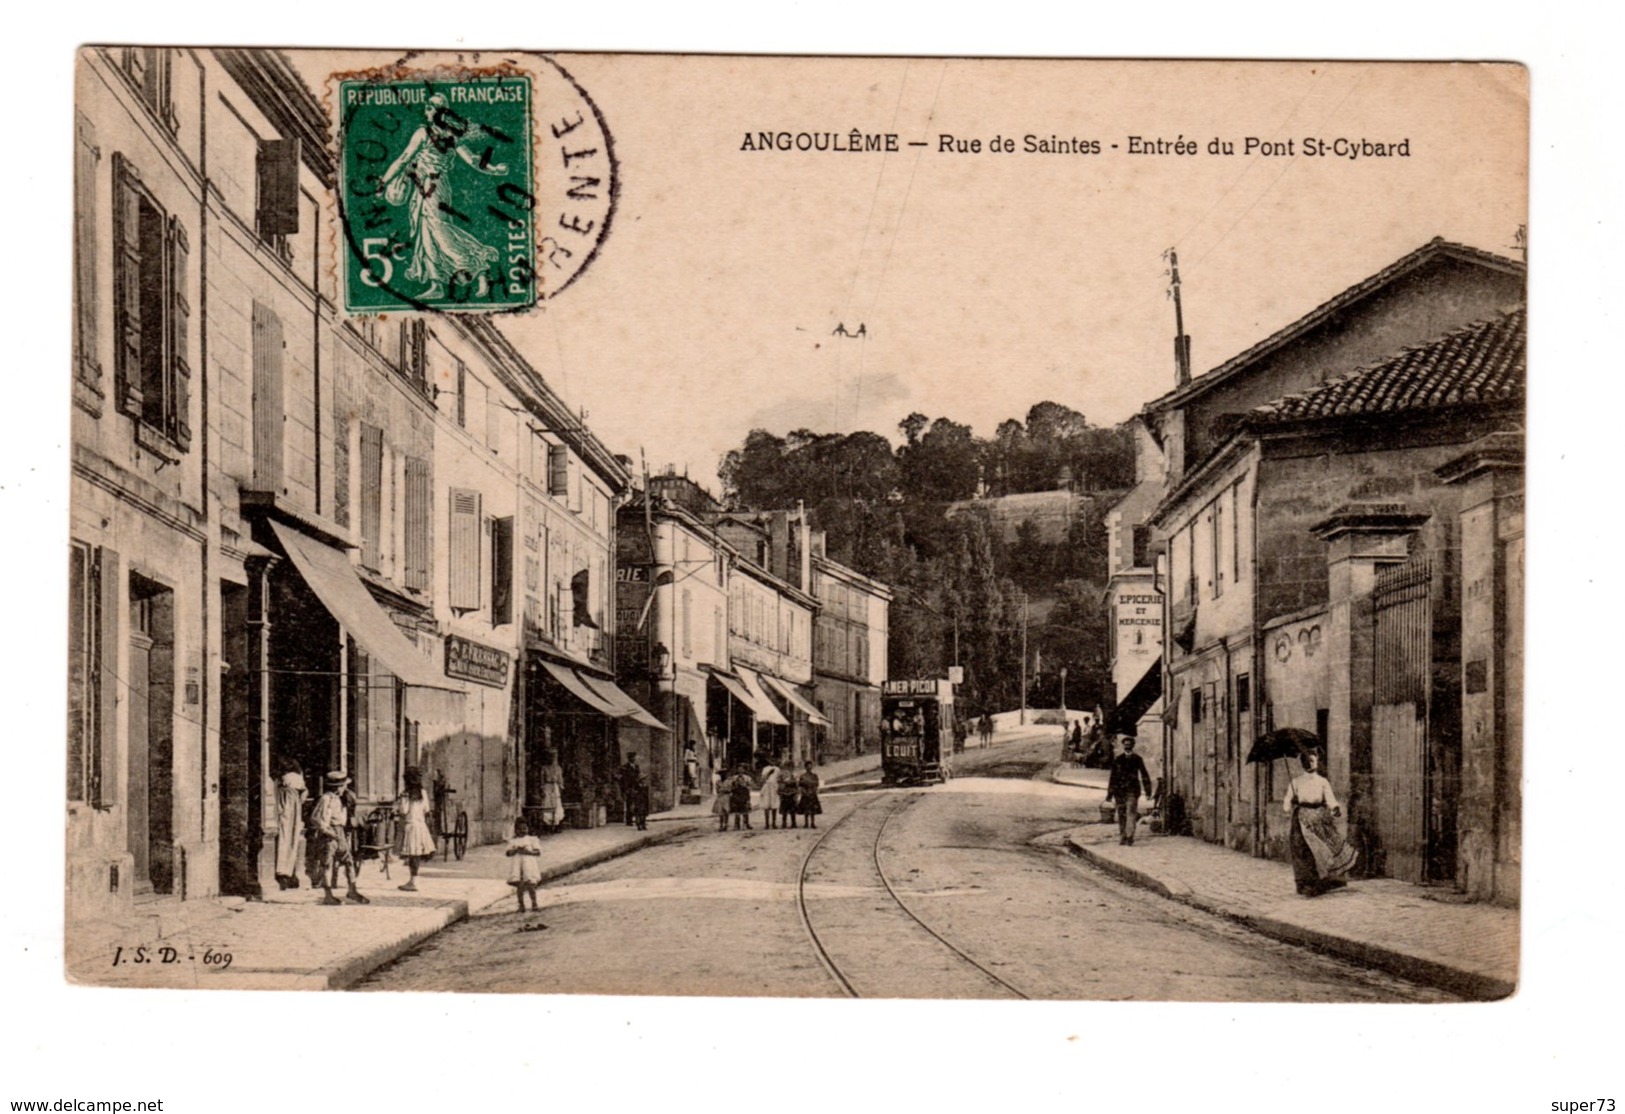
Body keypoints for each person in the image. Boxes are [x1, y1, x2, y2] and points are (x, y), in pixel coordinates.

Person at [377, 94, 508, 300]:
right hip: (422, 188)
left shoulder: (438, 134)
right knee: (425, 234)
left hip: (434, 187)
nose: (426, 110)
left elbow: (472, 159)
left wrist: (494, 170)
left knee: (439, 230)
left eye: (430, 107)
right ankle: (436, 284)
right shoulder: (437, 133)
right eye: (427, 107)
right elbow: (406, 160)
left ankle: (479, 265)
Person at [1284, 750, 1358, 897]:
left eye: (1312, 760)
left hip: (1319, 818)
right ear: (1303, 763)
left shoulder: (1322, 782)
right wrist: (1290, 803)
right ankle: (1304, 883)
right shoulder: (1296, 782)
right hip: (1301, 819)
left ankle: (1327, 880)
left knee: (1325, 848)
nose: (1310, 763)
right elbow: (1287, 801)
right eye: (1307, 761)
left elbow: (1330, 799)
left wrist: (1334, 808)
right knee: (1302, 850)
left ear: (1317, 762)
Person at [311, 771, 369, 905]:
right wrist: (327, 831)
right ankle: (328, 895)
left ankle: (352, 890)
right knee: (327, 865)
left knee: (349, 861)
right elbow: (315, 818)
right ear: (336, 786)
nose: (345, 788)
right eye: (343, 786)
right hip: (329, 835)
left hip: (340, 833)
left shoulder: (339, 799)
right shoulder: (325, 799)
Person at [1105, 736, 1154, 846]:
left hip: (1132, 791)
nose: (1127, 746)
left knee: (1131, 813)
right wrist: (1110, 794)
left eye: (1129, 745)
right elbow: (1113, 778)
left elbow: (1144, 774)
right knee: (1121, 814)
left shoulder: (1137, 759)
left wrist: (1148, 791)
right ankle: (1123, 836)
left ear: (1133, 746)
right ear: (1123, 746)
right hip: (1119, 792)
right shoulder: (1118, 760)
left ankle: (1130, 836)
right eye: (1125, 744)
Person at [394, 766, 436, 892]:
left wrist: (399, 802)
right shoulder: (423, 792)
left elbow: (404, 810)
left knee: (412, 855)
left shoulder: (406, 793)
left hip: (410, 826)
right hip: (421, 826)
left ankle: (413, 881)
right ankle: (414, 879)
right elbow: (426, 809)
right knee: (416, 855)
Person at [273, 758, 306, 890]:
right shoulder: (295, 778)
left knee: (282, 840)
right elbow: (303, 793)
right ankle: (288, 873)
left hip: (279, 811)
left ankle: (281, 873)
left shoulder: (277, 780)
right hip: (292, 811)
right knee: (291, 841)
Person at [505, 817, 546, 917]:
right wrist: (515, 850)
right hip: (517, 866)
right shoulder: (513, 841)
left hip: (529, 865)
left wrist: (529, 852)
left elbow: (538, 852)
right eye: (519, 829)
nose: (522, 831)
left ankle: (534, 903)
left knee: (531, 884)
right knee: (520, 886)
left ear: (528, 829)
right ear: (515, 830)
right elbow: (508, 853)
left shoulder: (532, 840)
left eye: (524, 828)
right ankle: (521, 905)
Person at [536, 751, 565, 834]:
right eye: (550, 756)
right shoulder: (544, 768)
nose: (552, 759)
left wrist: (561, 788)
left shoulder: (558, 768)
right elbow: (541, 780)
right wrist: (542, 789)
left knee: (557, 805)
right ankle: (547, 824)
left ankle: (556, 824)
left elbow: (560, 780)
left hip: (555, 787)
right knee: (547, 804)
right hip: (547, 787)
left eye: (553, 756)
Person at [619, 754, 646, 829]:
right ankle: (629, 821)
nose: (633, 758)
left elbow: (638, 776)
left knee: (637, 804)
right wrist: (625, 789)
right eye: (632, 757)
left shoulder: (636, 766)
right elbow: (623, 780)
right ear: (629, 758)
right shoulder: (625, 767)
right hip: (629, 787)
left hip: (636, 787)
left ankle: (640, 820)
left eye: (634, 757)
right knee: (629, 804)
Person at [797, 761, 822, 829]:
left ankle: (812, 823)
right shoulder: (803, 776)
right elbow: (800, 785)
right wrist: (804, 792)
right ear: (805, 767)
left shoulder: (814, 776)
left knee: (812, 810)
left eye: (810, 766)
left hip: (812, 794)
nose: (809, 767)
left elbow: (816, 784)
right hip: (805, 794)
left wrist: (813, 791)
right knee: (806, 809)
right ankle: (806, 823)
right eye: (808, 766)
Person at [758, 761, 783, 830]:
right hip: (767, 787)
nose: (772, 761)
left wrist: (779, 786)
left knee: (774, 805)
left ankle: (774, 823)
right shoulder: (765, 768)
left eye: (774, 759)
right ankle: (767, 824)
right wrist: (769, 773)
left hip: (774, 787)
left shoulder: (777, 769)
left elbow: (779, 778)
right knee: (766, 805)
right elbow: (763, 779)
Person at [777, 762, 802, 829]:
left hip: (792, 794)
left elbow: (796, 785)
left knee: (792, 810)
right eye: (787, 767)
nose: (788, 768)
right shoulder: (782, 775)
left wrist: (796, 794)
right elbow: (779, 784)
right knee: (784, 810)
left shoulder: (793, 775)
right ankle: (784, 823)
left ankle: (793, 823)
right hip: (784, 794)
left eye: (790, 767)